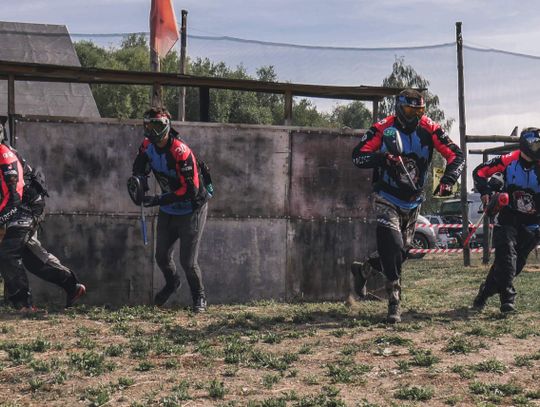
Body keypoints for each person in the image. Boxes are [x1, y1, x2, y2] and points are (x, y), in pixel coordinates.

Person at [350, 89, 464, 323]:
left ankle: (363, 271)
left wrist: (449, 179)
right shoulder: (383, 127)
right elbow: (358, 156)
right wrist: (383, 157)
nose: (415, 115)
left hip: (413, 201)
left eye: (419, 111)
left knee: (401, 252)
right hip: (386, 196)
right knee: (392, 244)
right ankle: (394, 302)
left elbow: (456, 155)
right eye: (410, 110)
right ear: (399, 109)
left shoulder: (430, 128)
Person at [130, 107, 211, 312]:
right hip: (169, 208)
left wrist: (157, 199)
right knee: (161, 257)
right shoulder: (147, 145)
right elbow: (138, 168)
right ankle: (172, 283)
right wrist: (138, 183)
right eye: (148, 124)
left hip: (192, 209)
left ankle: (199, 297)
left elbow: (189, 191)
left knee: (188, 261)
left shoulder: (180, 151)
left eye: (156, 125)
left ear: (166, 126)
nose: (151, 129)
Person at [0, 124, 85, 311]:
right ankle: (72, 285)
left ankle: (23, 304)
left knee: (7, 253)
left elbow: (14, 198)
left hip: (27, 207)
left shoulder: (5, 156)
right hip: (16, 206)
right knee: (32, 260)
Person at [472, 127, 540, 313]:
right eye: (536, 144)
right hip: (507, 218)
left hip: (533, 223)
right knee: (507, 259)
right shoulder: (508, 160)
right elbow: (479, 172)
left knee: (513, 267)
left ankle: (484, 293)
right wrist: (486, 192)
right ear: (526, 144)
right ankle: (507, 299)